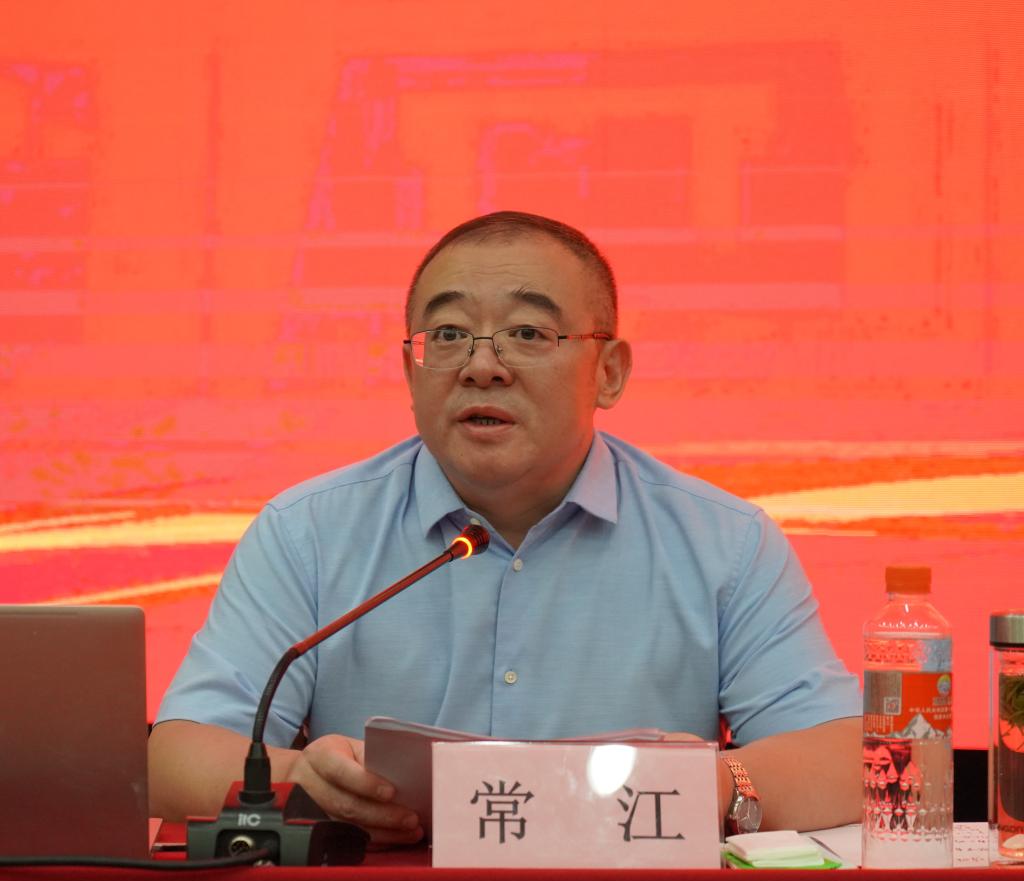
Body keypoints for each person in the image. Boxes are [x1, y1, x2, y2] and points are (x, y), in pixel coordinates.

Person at [150, 211, 862, 843]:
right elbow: (176, 758)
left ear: (609, 372)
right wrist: (301, 778)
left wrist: (716, 786)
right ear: (410, 371)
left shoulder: (723, 542)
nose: (482, 367)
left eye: (527, 333)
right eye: (449, 335)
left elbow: (849, 760)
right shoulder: (308, 533)